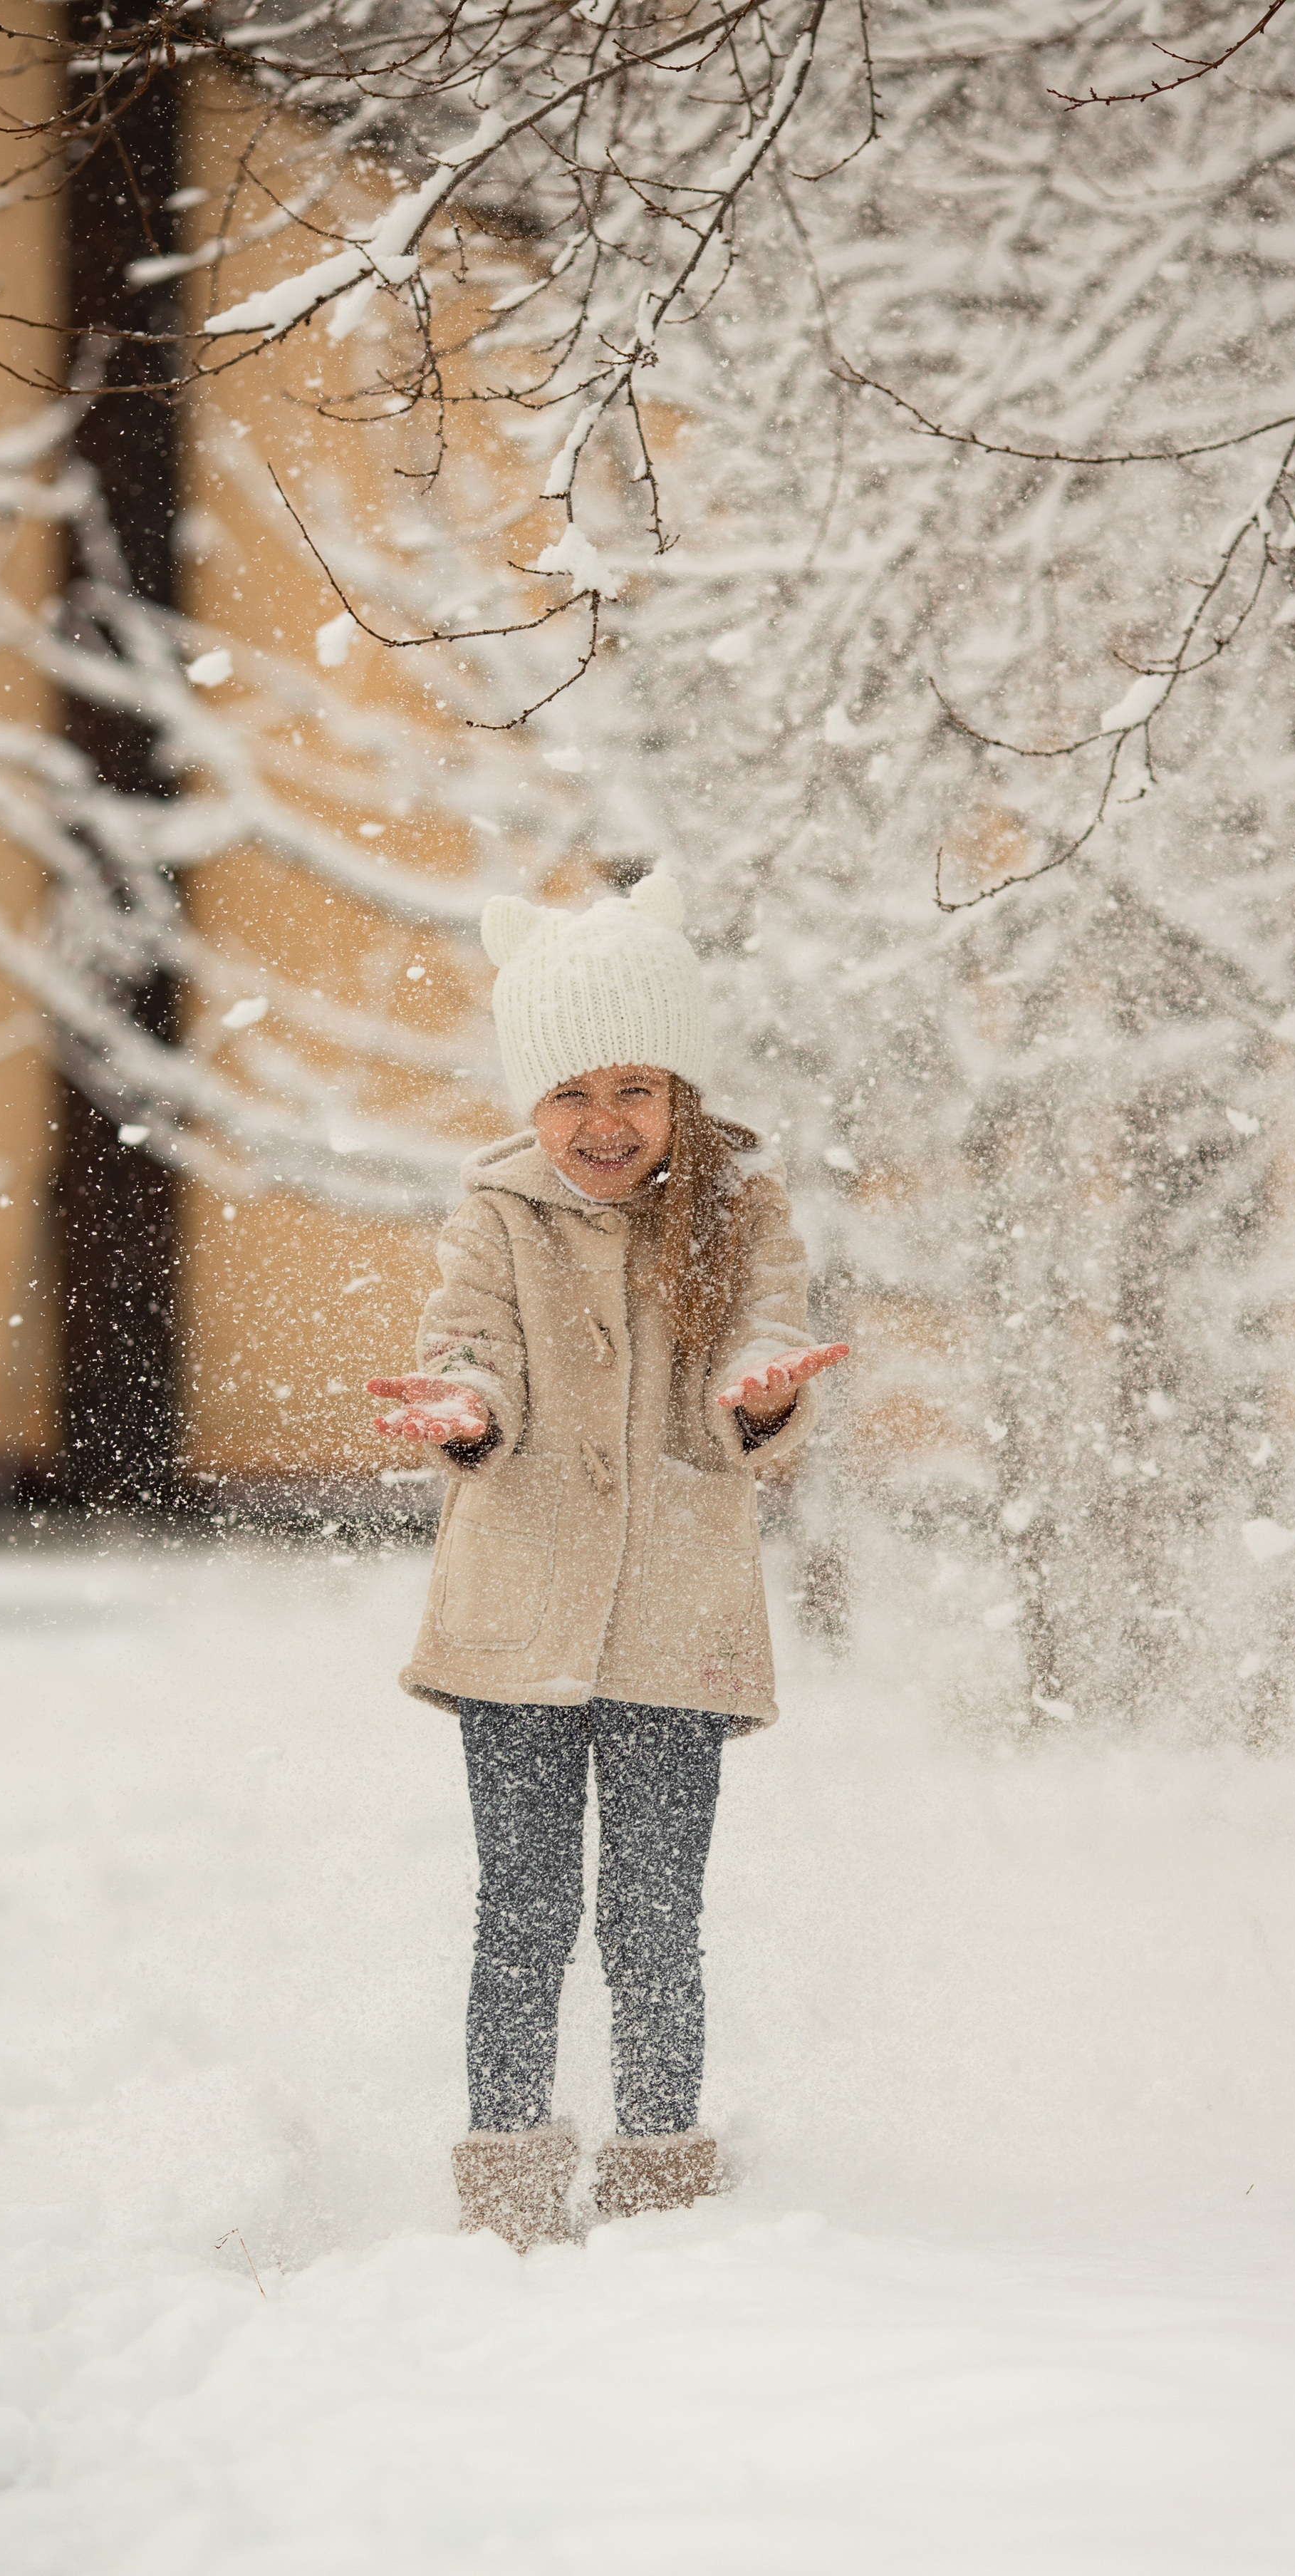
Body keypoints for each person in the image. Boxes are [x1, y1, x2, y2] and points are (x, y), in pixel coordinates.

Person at [368, 869, 848, 2252]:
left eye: (633, 1089)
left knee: (649, 1918)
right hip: (519, 1611)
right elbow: (468, 1340)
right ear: (531, 1103)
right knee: (521, 1910)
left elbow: (764, 1333)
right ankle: (508, 2192)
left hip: (674, 1620)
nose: (602, 1123)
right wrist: (467, 1405)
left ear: (678, 1094)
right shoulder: (496, 1215)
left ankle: (657, 2184)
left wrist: (759, 1391)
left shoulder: (741, 1214)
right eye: (571, 1093)